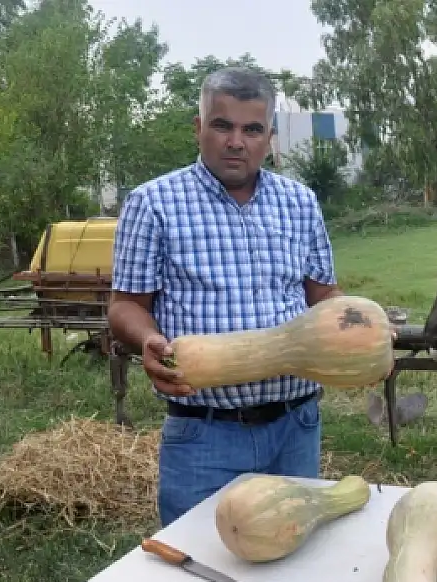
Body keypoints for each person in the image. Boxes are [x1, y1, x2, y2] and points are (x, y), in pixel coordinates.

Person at [109, 66, 343, 535]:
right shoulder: (153, 202)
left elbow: (324, 297)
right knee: (196, 579)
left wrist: (358, 332)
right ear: (199, 129)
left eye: (252, 129)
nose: (237, 141)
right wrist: (149, 339)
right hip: (205, 432)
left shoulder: (300, 202)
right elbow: (124, 305)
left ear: (269, 137)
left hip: (296, 425)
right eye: (223, 125)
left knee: (291, 572)